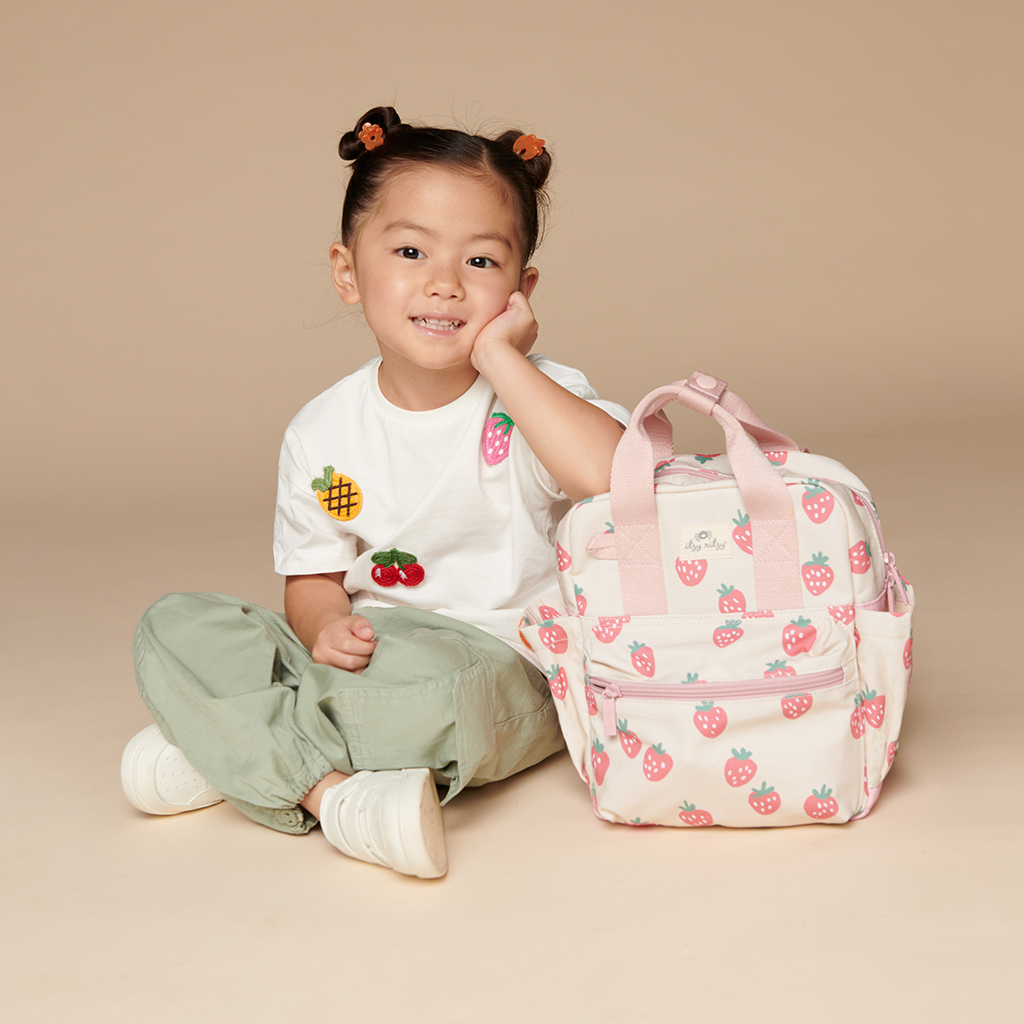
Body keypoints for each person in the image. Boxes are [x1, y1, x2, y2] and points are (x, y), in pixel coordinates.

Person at [120, 106, 630, 879]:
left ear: (521, 290)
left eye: (482, 263)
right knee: (177, 623)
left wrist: (504, 362)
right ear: (348, 272)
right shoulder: (323, 431)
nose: (444, 283)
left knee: (431, 696)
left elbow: (615, 482)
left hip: (500, 671)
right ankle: (332, 795)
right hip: (361, 662)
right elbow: (315, 581)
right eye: (411, 250)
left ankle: (231, 745)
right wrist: (325, 628)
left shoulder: (539, 396)